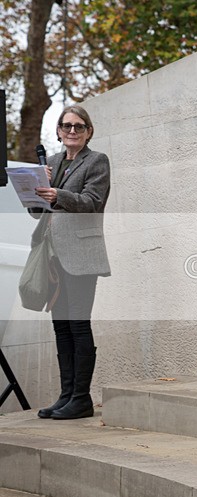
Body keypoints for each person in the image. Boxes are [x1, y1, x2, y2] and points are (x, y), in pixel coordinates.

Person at [30, 105, 111, 420]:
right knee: (60, 326)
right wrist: (36, 193)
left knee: (78, 325)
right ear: (59, 131)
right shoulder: (50, 163)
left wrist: (56, 194)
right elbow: (38, 212)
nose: (72, 131)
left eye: (79, 126)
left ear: (88, 131)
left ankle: (81, 399)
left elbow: (93, 202)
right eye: (67, 126)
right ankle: (66, 396)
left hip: (81, 255)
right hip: (52, 255)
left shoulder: (97, 161)